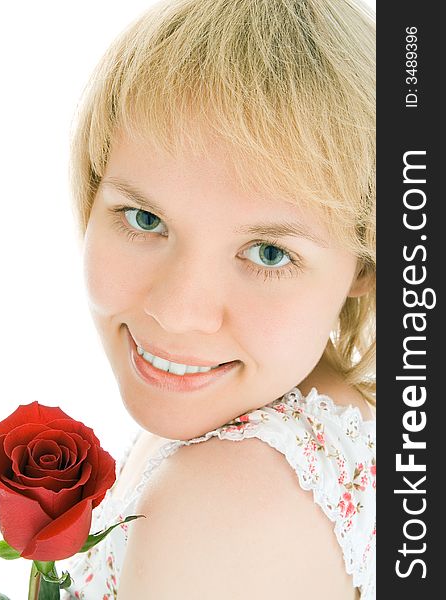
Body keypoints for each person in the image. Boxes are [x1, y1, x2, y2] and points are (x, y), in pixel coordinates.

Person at [61, 0, 376, 597]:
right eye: (145, 218)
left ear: (366, 260)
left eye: (268, 254)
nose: (177, 312)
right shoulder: (333, 420)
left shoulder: (216, 505)